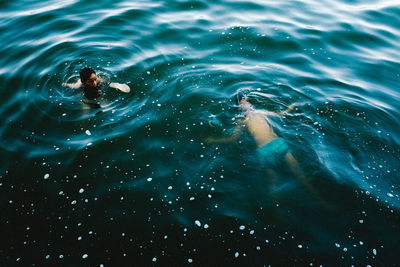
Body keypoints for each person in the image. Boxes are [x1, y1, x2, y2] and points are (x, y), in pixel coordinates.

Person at [206, 92, 308, 185]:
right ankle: (275, 202)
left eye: (245, 102)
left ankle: (319, 197)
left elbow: (282, 114)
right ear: (239, 109)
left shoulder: (261, 112)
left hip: (277, 143)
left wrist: (293, 105)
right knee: (273, 183)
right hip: (264, 150)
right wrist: (213, 140)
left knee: (299, 173)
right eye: (241, 104)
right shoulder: (241, 120)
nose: (244, 105)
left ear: (250, 104)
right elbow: (233, 138)